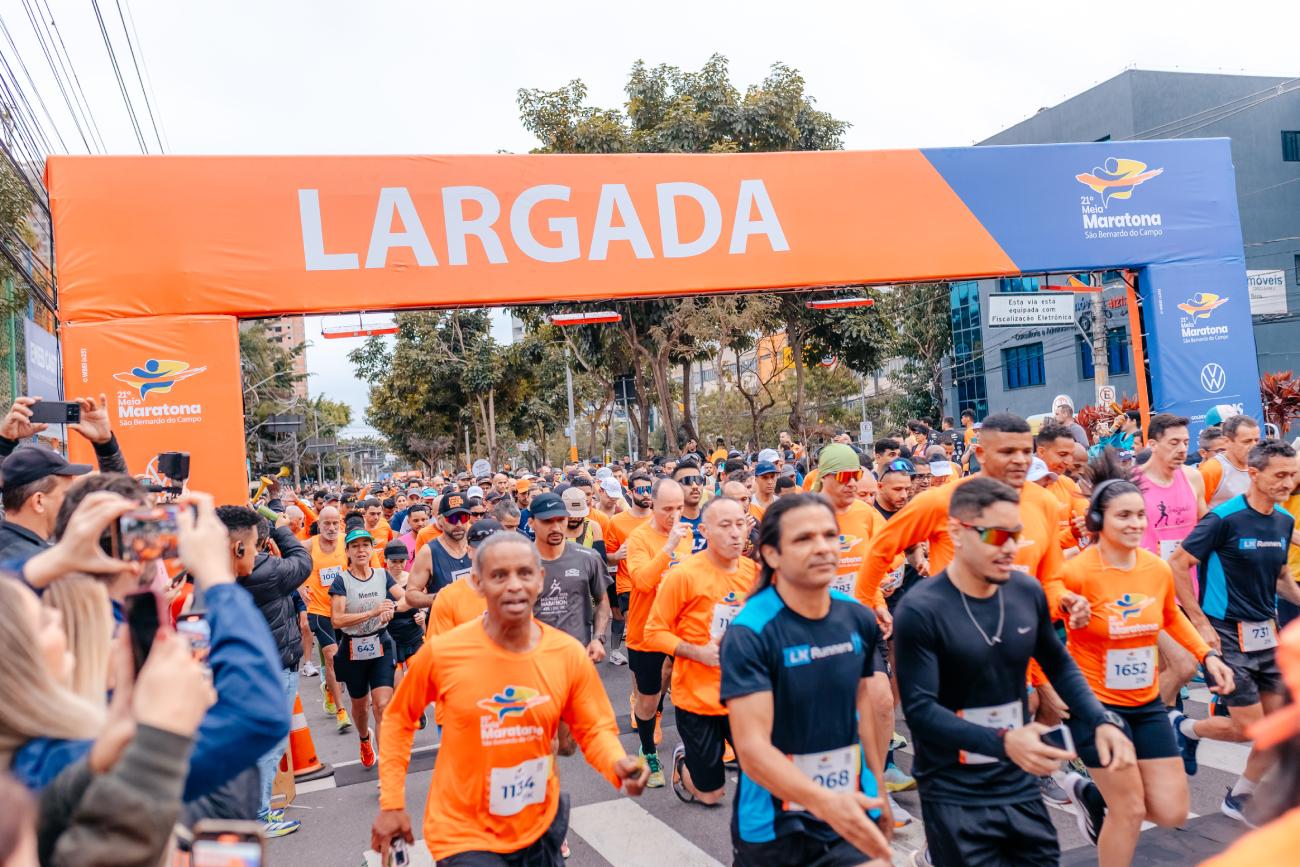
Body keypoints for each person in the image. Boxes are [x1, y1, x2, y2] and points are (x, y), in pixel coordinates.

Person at [893, 477, 1135, 867]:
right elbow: (920, 711)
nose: (1010, 547)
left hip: (1016, 777)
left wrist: (1099, 719)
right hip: (954, 787)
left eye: (1016, 535)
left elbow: (1057, 662)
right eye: (996, 535)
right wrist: (1005, 741)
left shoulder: (1026, 591)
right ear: (956, 531)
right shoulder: (920, 610)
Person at [371, 532, 650, 865]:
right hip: (463, 831)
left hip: (539, 824)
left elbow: (594, 729)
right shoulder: (445, 652)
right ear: (477, 582)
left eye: (525, 573)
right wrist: (391, 803)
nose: (514, 585)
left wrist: (618, 765)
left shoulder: (565, 654)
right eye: (499, 575)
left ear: (540, 579)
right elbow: (400, 719)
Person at [1057, 452, 1234, 862]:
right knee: (1131, 810)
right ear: (1098, 520)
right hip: (1096, 707)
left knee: (1171, 811)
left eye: (1140, 514)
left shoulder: (1154, 568)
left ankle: (1094, 796)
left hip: (1146, 703)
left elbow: (1172, 617)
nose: (1136, 523)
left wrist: (1207, 657)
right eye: (1124, 516)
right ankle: (1111, 803)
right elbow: (1039, 634)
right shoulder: (1076, 573)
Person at [721, 494, 892, 866]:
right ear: (771, 554)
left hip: (850, 804)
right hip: (774, 823)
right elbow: (751, 751)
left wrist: (878, 791)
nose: (823, 548)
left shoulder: (856, 618)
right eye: (804, 539)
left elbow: (865, 717)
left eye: (830, 535)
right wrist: (824, 802)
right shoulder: (751, 631)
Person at [1170, 439, 1300, 823]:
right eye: (1279, 475)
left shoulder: (1283, 520)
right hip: (1225, 634)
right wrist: (1199, 623)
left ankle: (1239, 796)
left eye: (1292, 475)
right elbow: (1178, 564)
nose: (1287, 482)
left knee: (1279, 729)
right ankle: (1186, 726)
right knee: (1249, 729)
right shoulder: (1223, 518)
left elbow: (1281, 579)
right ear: (1254, 474)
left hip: (1267, 632)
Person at [644, 497, 756, 805]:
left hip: (745, 694)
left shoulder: (755, 573)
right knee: (710, 792)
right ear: (704, 531)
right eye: (725, 526)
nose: (735, 533)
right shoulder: (684, 575)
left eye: (739, 524)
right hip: (697, 696)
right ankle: (685, 761)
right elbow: (653, 633)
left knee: (764, 776)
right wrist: (696, 652)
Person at [218, 504, 313, 837]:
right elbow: (303, 560)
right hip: (274, 669)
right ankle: (258, 815)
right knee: (269, 745)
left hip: (241, 669)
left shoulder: (211, 571)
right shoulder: (264, 570)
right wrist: (283, 528)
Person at [1132, 413, 1210, 713]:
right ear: (1153, 444)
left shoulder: (1193, 477)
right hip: (1145, 590)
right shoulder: (1132, 481)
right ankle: (1159, 727)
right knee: (1180, 665)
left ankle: (1166, 731)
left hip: (1184, 587)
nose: (1181, 449)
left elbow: (1204, 525)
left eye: (1186, 443)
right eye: (1174, 442)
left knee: (1173, 669)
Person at [626, 479, 696, 785]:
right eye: (668, 509)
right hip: (646, 632)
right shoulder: (639, 538)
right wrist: (668, 548)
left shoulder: (687, 536)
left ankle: (694, 753)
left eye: (679, 508)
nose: (674, 515)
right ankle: (648, 750)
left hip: (680, 631)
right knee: (648, 699)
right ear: (651, 505)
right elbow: (642, 581)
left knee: (689, 693)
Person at [532, 494, 611, 754]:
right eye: (547, 521)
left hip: (575, 659)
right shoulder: (520, 561)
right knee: (539, 740)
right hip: (533, 662)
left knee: (566, 746)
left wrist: (598, 638)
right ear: (532, 523)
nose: (556, 527)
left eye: (560, 520)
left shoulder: (586, 558)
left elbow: (603, 603)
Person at [330, 527, 404, 768]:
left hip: (380, 644)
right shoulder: (342, 581)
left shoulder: (383, 575)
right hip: (352, 649)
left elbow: (403, 598)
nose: (361, 550)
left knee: (382, 705)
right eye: (355, 546)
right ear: (348, 551)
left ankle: (387, 766)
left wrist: (392, 608)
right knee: (360, 709)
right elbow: (337, 620)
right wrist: (372, 612)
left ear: (372, 549)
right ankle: (364, 738)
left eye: (365, 545)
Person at [302, 505, 353, 731]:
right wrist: (300, 587)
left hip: (345, 609)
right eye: (327, 524)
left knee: (347, 658)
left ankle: (330, 689)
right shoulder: (308, 545)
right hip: (320, 610)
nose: (331, 528)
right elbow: (291, 565)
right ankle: (342, 711)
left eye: (335, 523)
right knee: (331, 657)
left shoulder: (346, 542)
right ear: (319, 524)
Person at [604, 472, 653, 665]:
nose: (646, 494)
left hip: (657, 583)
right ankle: (640, 679)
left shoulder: (660, 517)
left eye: (649, 489)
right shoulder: (616, 521)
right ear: (631, 492)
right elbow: (608, 556)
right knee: (637, 632)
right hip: (628, 584)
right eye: (641, 490)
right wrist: (616, 556)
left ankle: (657, 679)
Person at [425, 519, 502, 638]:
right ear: (469, 551)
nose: (491, 554)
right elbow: (437, 651)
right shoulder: (448, 598)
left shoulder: (515, 593)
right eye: (483, 549)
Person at [405, 490, 473, 609]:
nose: (458, 523)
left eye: (463, 517)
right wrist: (440, 598)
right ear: (440, 520)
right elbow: (411, 594)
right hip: (445, 623)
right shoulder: (429, 552)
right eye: (451, 518)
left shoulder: (478, 544)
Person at [1035, 421, 1089, 555]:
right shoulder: (1021, 488)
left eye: (1071, 454)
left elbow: (1085, 524)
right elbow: (1033, 543)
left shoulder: (1068, 484)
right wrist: (1071, 534)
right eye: (1063, 454)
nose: (1069, 462)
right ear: (1041, 452)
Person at [1199, 415, 1260, 508]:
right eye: (1247, 441)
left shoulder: (1261, 466)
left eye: (1256, 440)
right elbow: (1197, 511)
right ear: (1227, 441)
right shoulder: (1212, 469)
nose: (1253, 446)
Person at [672, 461, 709, 552]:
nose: (695, 486)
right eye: (687, 481)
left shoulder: (713, 519)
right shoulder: (669, 523)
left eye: (698, 480)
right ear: (674, 486)